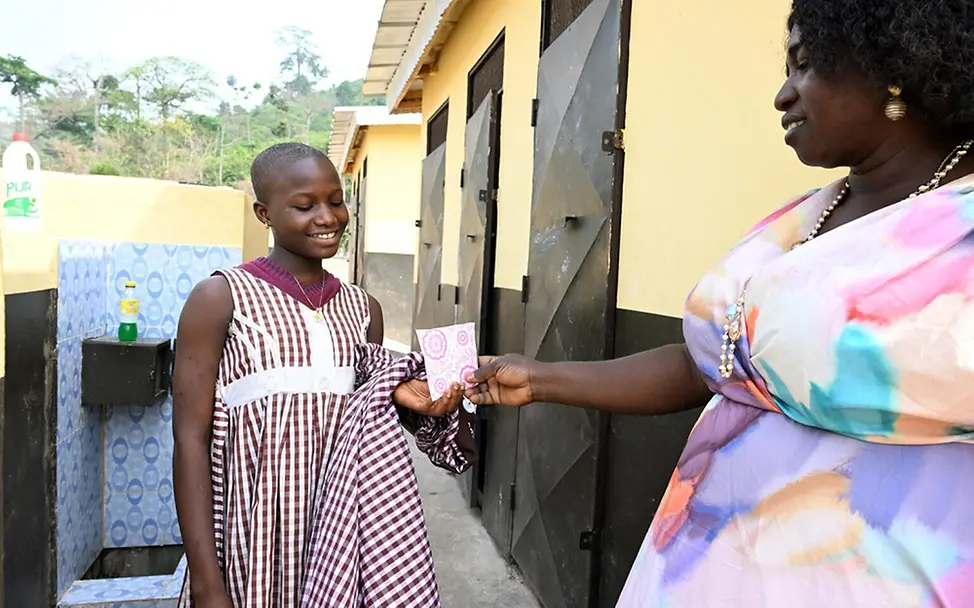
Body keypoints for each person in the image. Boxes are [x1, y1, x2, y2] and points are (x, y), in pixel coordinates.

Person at [465, 1, 974, 605]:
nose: (782, 95)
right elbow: (714, 367)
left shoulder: (957, 231)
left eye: (805, 65)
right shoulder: (804, 217)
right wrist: (542, 378)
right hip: (706, 567)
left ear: (894, 66)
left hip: (868, 576)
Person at [172, 143, 463, 607]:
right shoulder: (220, 298)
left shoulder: (362, 308)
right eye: (305, 206)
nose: (327, 217)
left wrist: (427, 402)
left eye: (336, 200)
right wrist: (207, 579)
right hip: (254, 536)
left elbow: (372, 411)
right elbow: (190, 439)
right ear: (264, 213)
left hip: (344, 534)